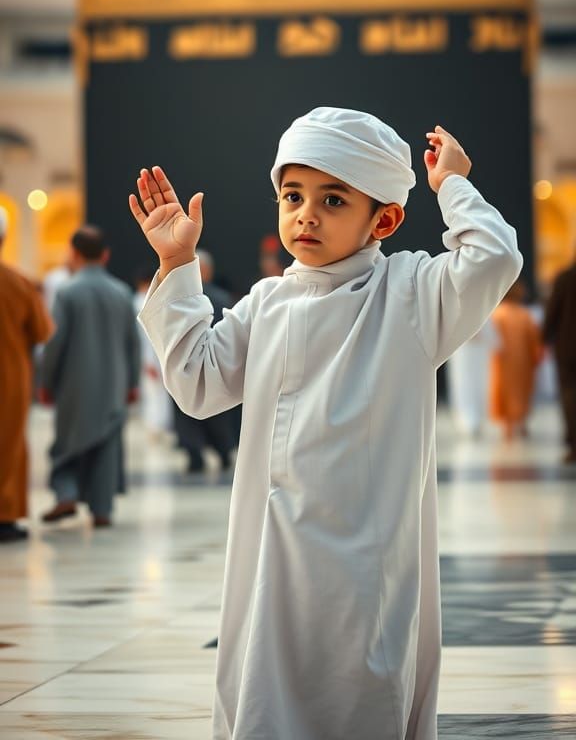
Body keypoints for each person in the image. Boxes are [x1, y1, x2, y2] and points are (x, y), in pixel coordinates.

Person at [129, 108, 522, 740]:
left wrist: (451, 184)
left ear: (384, 219)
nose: (305, 215)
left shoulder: (413, 292)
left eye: (333, 199)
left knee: (358, 697)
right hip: (270, 552)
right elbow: (198, 386)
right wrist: (177, 264)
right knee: (264, 695)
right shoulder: (268, 302)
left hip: (363, 560)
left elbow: (494, 256)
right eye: (293, 196)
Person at [40, 226, 140, 527]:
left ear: (74, 253)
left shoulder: (67, 292)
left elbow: (55, 343)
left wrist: (45, 381)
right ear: (105, 254)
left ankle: (66, 494)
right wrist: (132, 383)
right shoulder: (121, 292)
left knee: (69, 442)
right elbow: (132, 343)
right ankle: (102, 509)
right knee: (107, 446)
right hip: (113, 384)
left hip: (75, 385)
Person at [0, 208, 53, 542]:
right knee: (9, 444)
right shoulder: (18, 283)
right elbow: (42, 331)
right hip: (9, 377)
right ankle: (4, 514)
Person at [171, 249, 238, 470]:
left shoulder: (178, 299)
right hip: (217, 364)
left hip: (184, 365)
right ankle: (223, 451)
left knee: (186, 412)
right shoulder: (221, 297)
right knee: (219, 414)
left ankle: (194, 455)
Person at [489, 280, 542, 441]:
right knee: (523, 392)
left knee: (504, 392)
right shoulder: (525, 314)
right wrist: (534, 356)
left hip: (503, 361)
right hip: (523, 362)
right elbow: (534, 339)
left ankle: (508, 427)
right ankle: (522, 423)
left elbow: (493, 340)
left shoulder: (498, 313)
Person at [133, 265, 173, 438]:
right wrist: (149, 360)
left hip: (147, 354)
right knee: (157, 393)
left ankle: (156, 426)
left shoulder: (136, 300)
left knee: (153, 392)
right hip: (154, 354)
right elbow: (146, 336)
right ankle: (157, 426)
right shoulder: (144, 302)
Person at [543, 257, 576, 462]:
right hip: (566, 349)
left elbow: (552, 310)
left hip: (566, 348)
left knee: (569, 396)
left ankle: (573, 445)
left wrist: (545, 337)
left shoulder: (564, 278)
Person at [446, 318, 498, 437]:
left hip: (478, 351)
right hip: (461, 351)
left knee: (479, 384)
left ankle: (477, 419)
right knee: (463, 385)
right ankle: (466, 420)